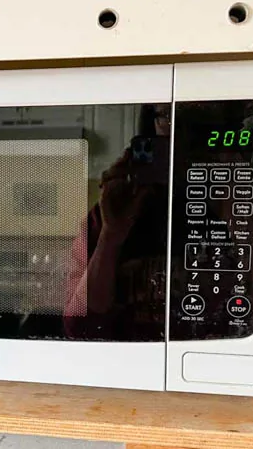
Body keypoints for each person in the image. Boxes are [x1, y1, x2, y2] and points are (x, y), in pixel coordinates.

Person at [63, 104, 170, 340]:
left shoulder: (243, 205)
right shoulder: (106, 217)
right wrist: (111, 235)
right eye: (168, 116)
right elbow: (80, 328)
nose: (181, 131)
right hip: (121, 365)